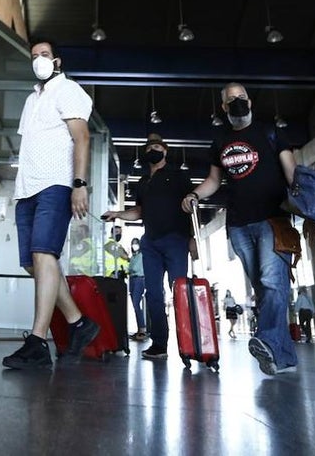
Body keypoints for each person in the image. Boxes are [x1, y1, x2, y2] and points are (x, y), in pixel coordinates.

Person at [183, 83, 299, 376]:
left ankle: (266, 339)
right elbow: (213, 181)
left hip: (274, 219)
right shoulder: (220, 140)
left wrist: (303, 205)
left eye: (241, 98)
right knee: (263, 289)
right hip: (238, 224)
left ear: (250, 101)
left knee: (273, 282)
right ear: (223, 107)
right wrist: (195, 194)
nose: (237, 102)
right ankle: (283, 358)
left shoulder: (270, 132)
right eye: (230, 100)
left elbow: (292, 174)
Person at [2, 39, 98, 369]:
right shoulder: (32, 99)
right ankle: (79, 322)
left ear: (56, 61)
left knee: (45, 255)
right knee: (35, 264)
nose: (38, 60)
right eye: (33, 57)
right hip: (25, 189)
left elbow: (82, 137)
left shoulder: (68, 89)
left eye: (44, 55)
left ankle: (38, 341)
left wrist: (80, 185)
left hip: (55, 185)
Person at [103, 134, 192, 359]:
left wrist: (191, 241)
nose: (154, 149)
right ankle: (160, 344)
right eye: (150, 147)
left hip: (175, 240)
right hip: (150, 243)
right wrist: (117, 214)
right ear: (145, 153)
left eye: (157, 146)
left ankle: (190, 344)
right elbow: (139, 211)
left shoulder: (178, 176)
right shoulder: (143, 182)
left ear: (165, 150)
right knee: (152, 294)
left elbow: (191, 205)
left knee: (180, 290)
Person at [126, 238, 147, 342]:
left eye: (136, 244)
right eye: (133, 243)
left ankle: (142, 329)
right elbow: (130, 268)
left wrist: (129, 269)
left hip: (139, 279)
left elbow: (134, 268)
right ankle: (139, 329)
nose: (134, 245)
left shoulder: (141, 255)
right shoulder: (133, 257)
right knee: (135, 305)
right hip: (132, 280)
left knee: (136, 303)